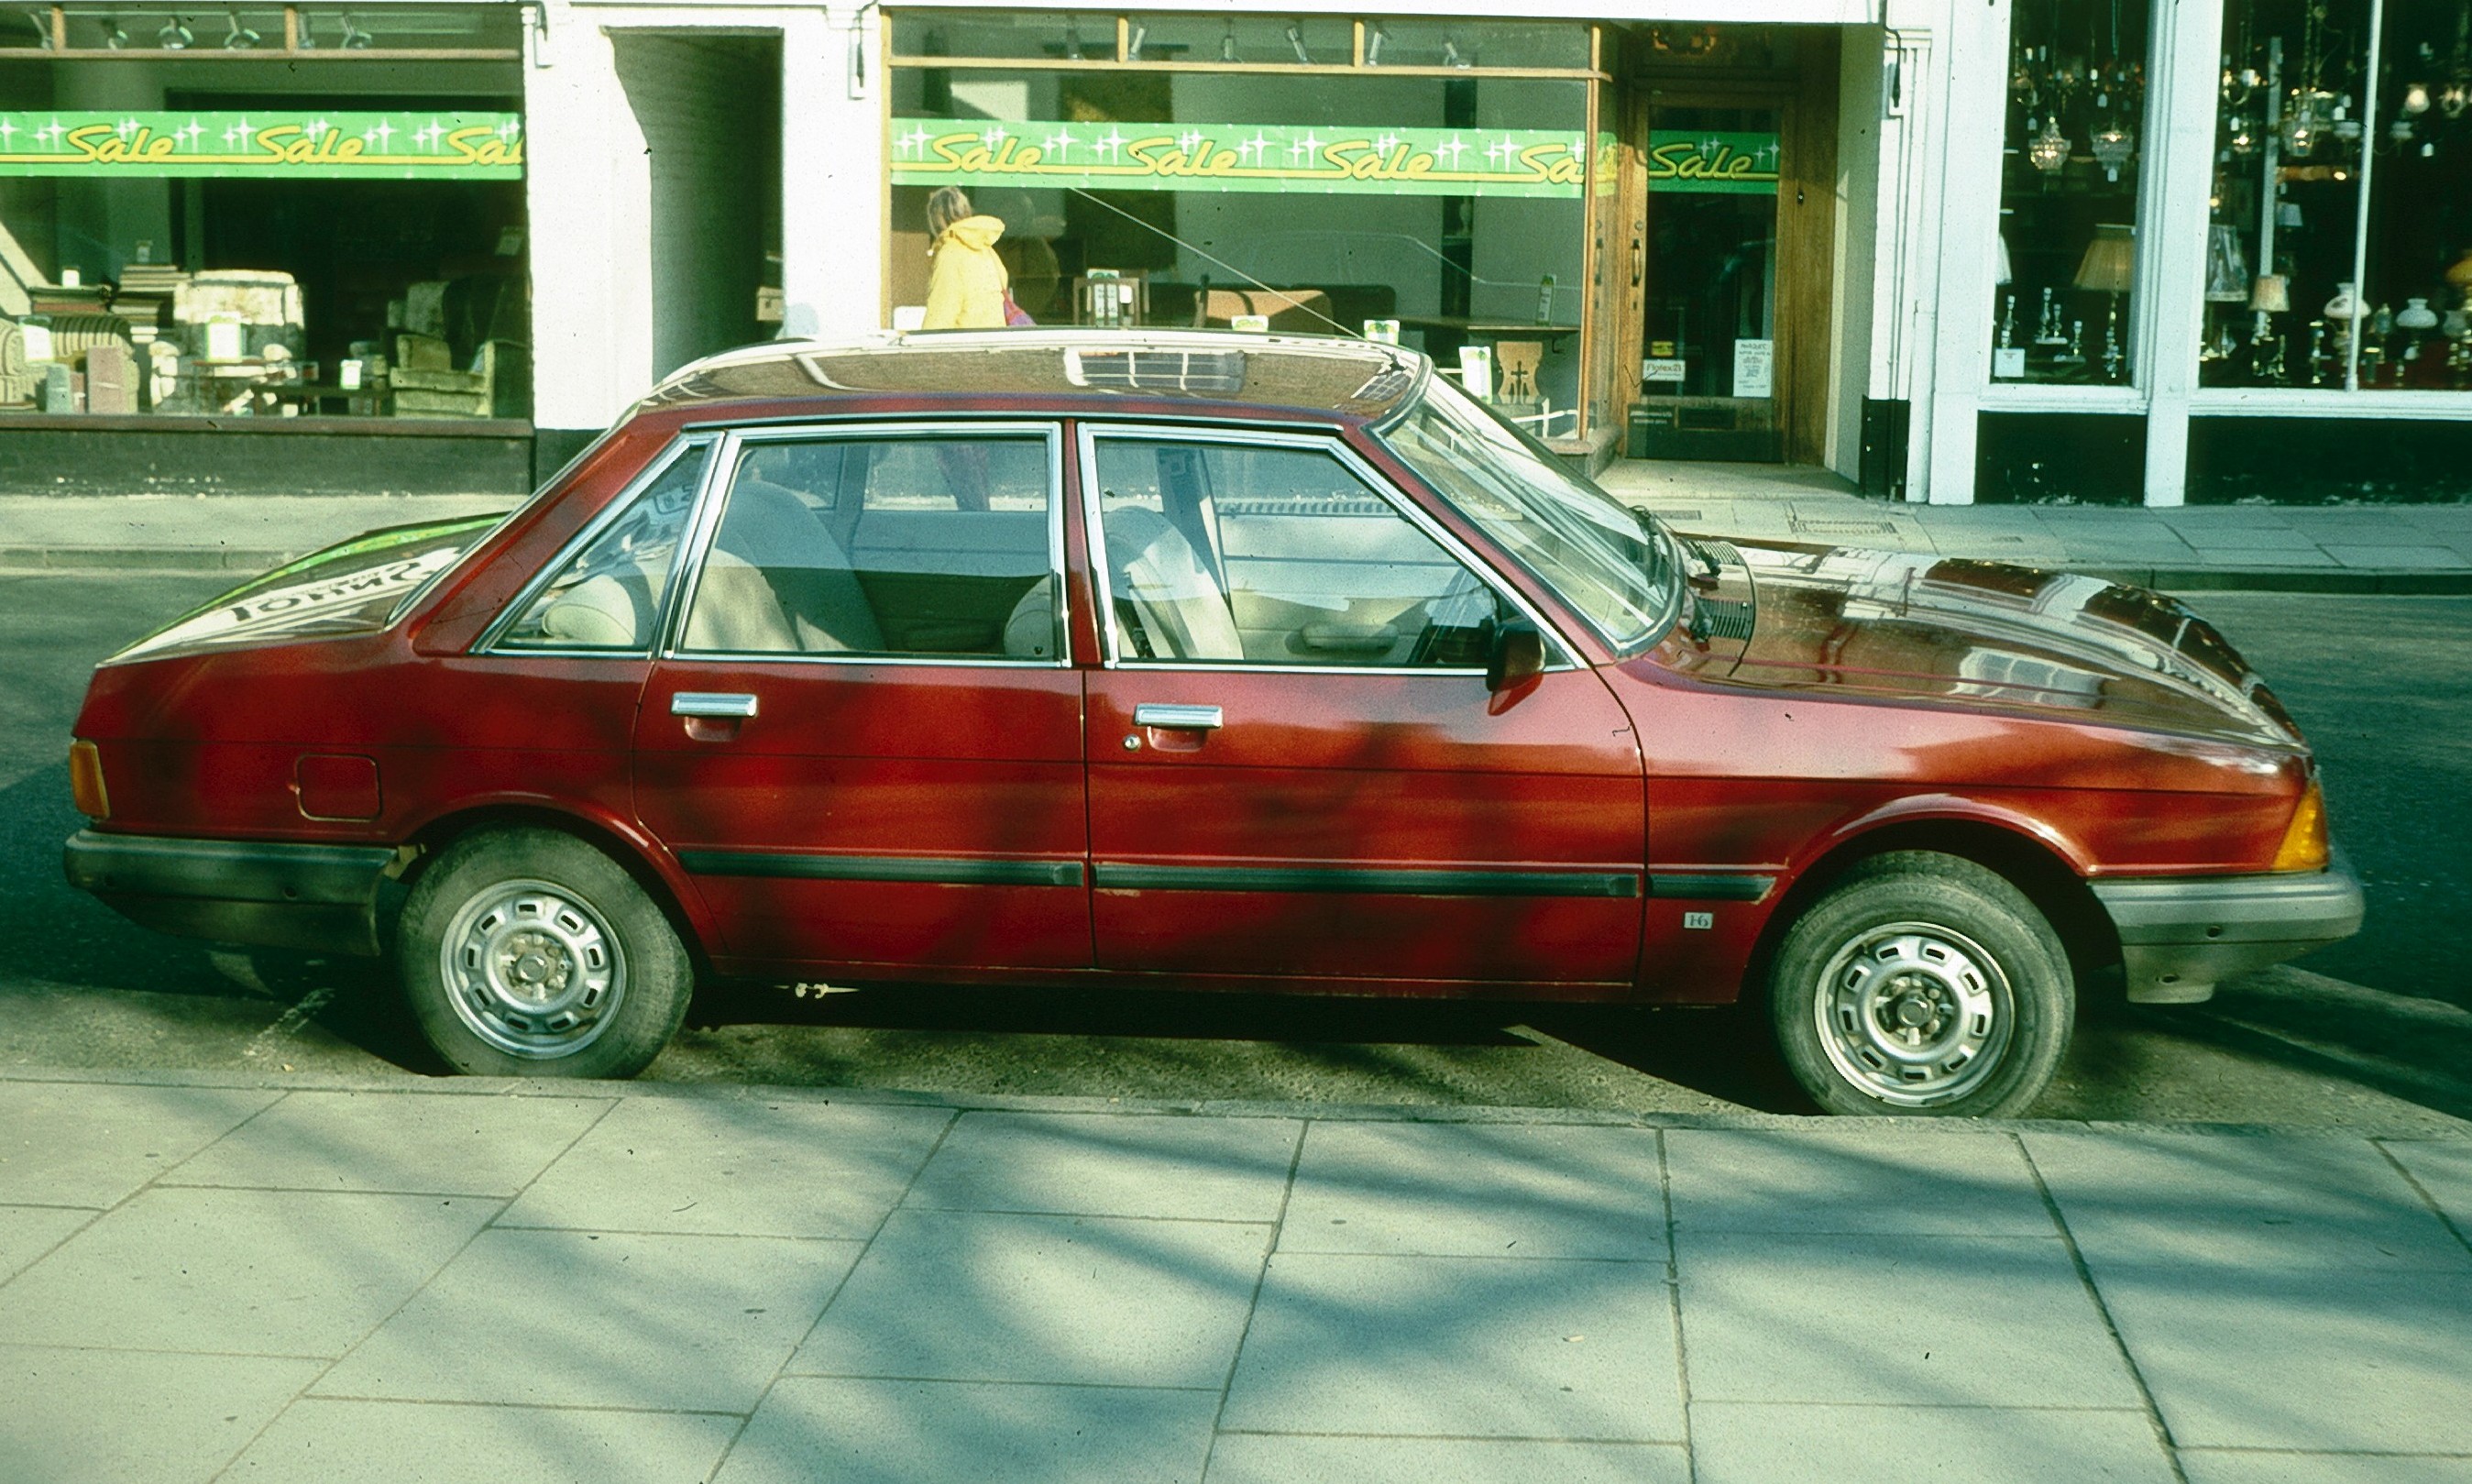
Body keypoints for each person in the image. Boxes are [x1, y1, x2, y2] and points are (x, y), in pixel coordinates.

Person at [921, 187, 1015, 330]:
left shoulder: (949, 253)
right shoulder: (986, 249)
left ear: (937, 217)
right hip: (993, 340)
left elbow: (941, 314)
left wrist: (925, 347)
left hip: (964, 344)